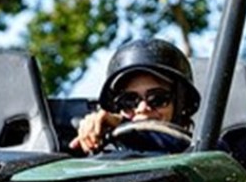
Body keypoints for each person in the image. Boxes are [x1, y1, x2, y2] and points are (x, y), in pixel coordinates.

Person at [69, 38, 201, 154]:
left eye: (157, 99)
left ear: (181, 104)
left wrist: (124, 126)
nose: (142, 108)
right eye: (128, 101)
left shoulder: (205, 152)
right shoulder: (102, 163)